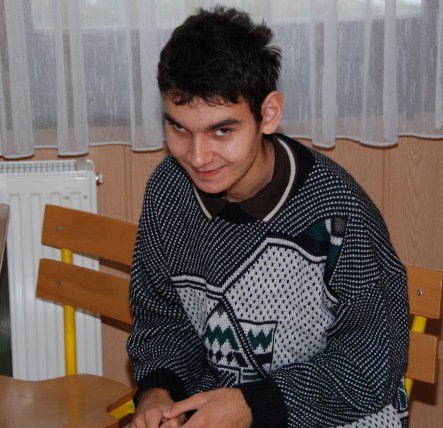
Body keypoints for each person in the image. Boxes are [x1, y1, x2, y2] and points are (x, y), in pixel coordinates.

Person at [126, 6, 409, 428]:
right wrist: (157, 394)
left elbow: (372, 364)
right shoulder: (169, 192)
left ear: (269, 114)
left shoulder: (337, 210)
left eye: (222, 130)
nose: (197, 157)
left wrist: (254, 405)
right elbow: (162, 319)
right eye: (180, 129)